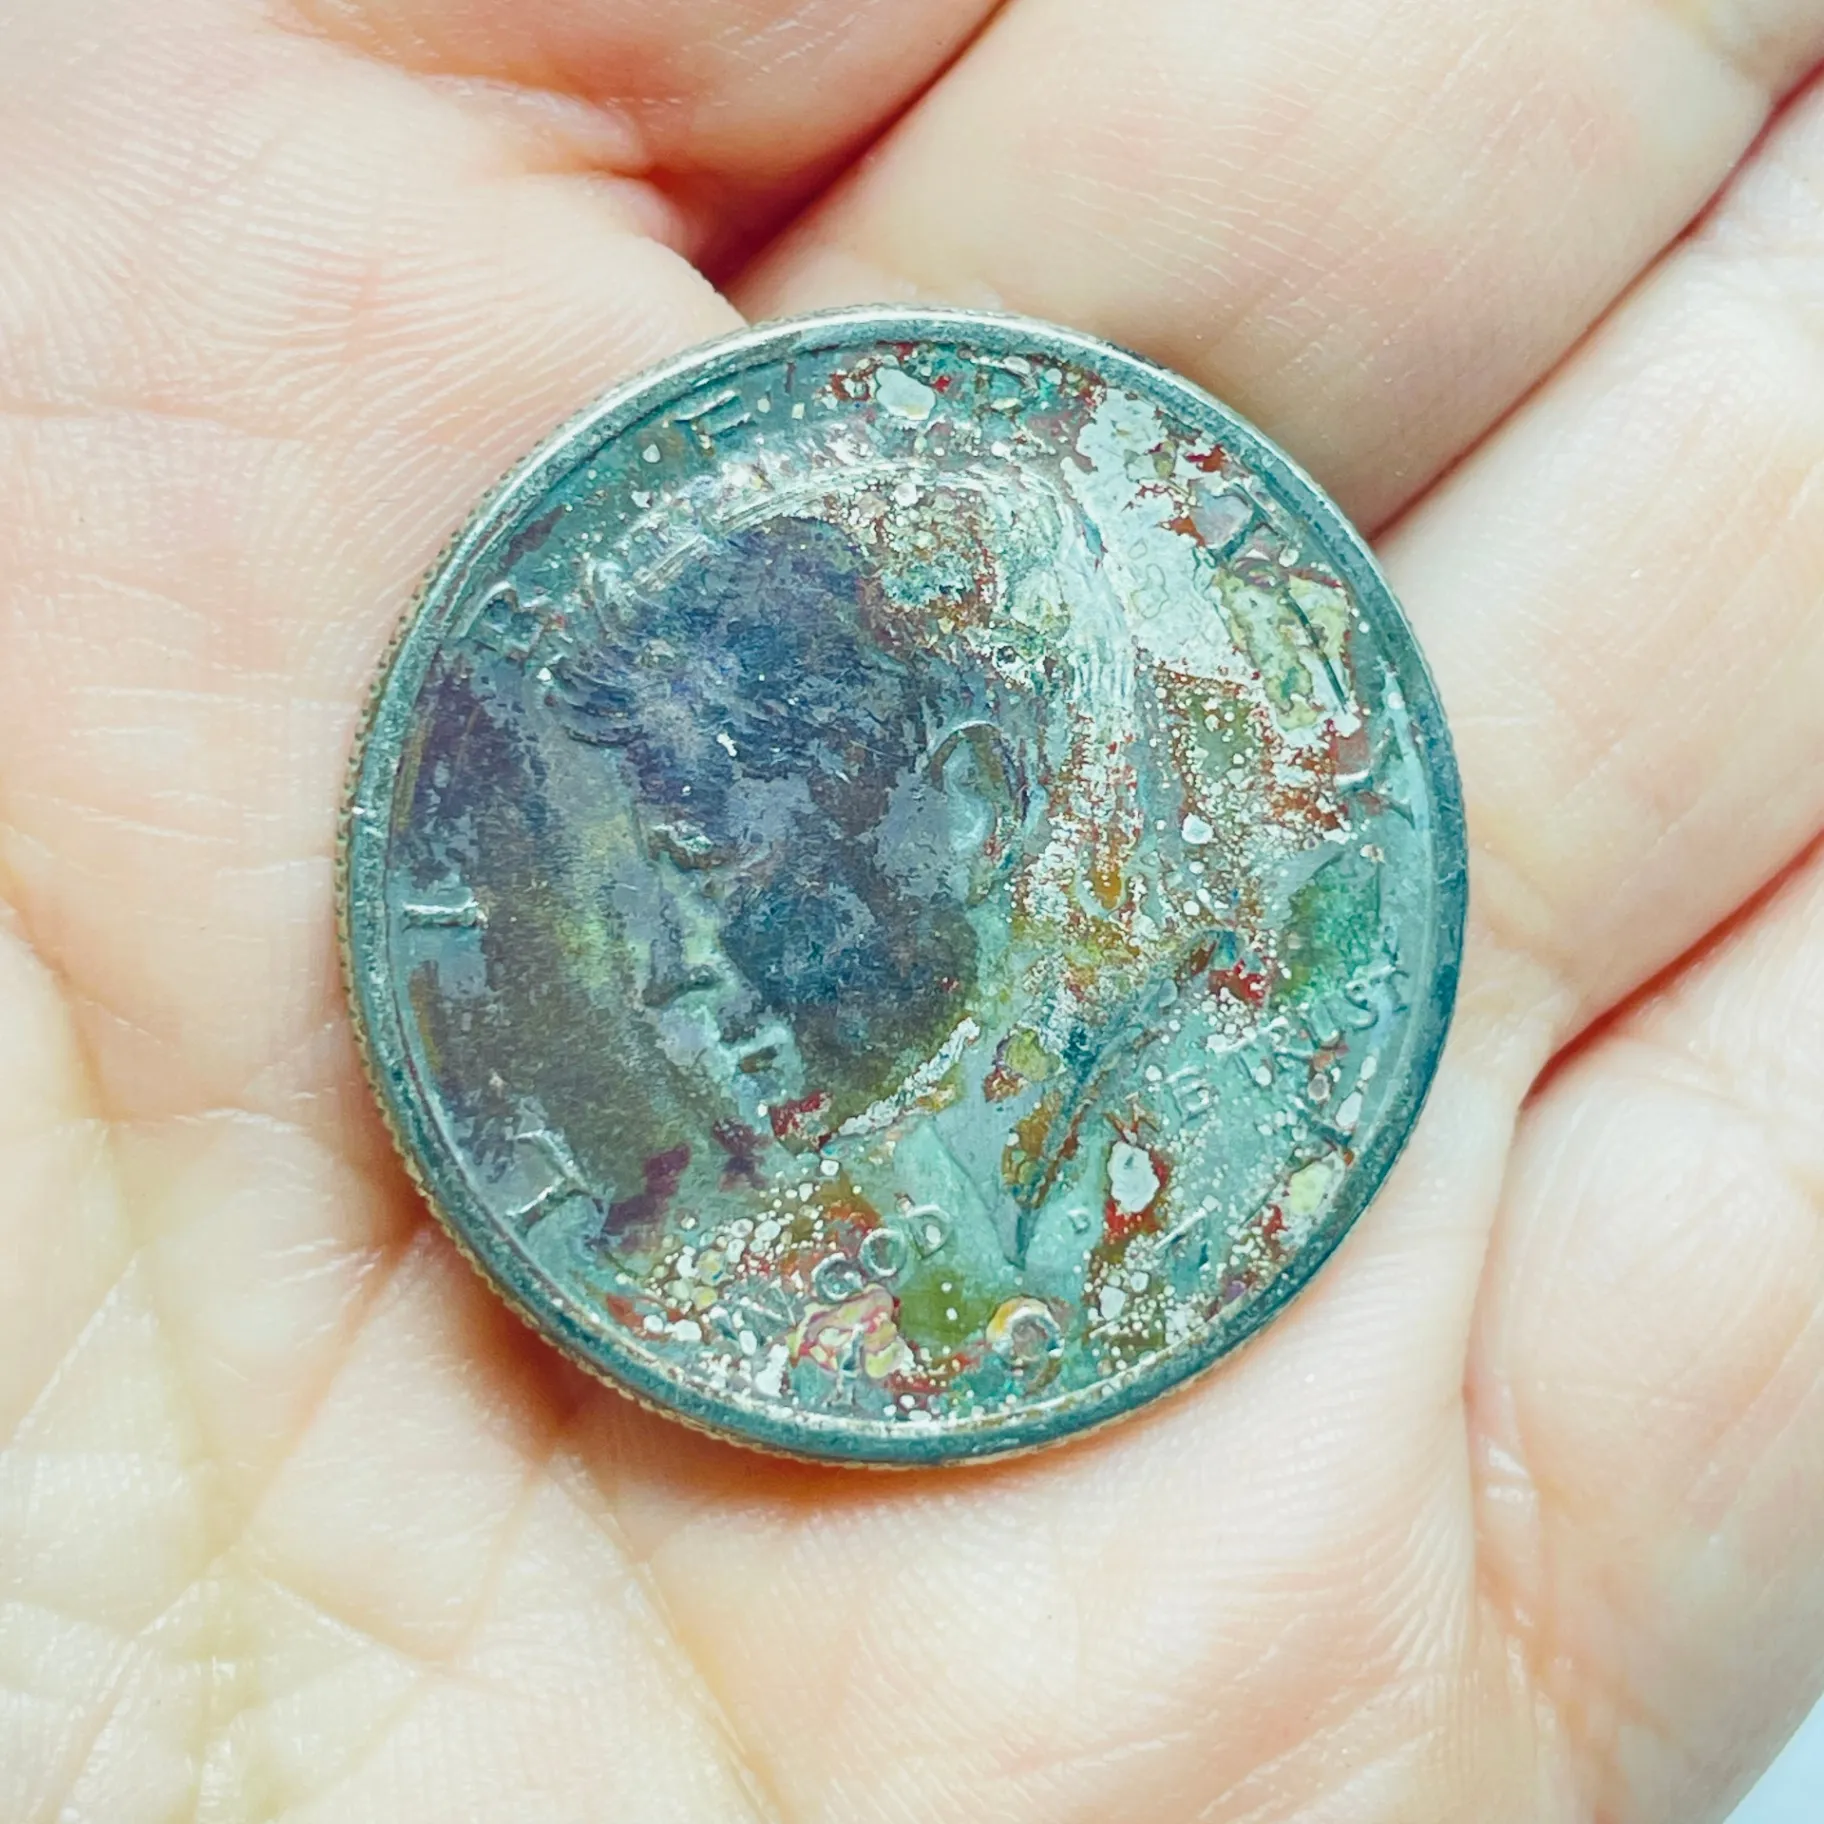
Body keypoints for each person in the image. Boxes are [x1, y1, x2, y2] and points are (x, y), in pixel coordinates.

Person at [3, 0, 1823, 1817]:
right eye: (662, 889)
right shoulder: (741, 1234)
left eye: (727, 869)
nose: (673, 977)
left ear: (967, 802)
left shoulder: (1151, 1136)